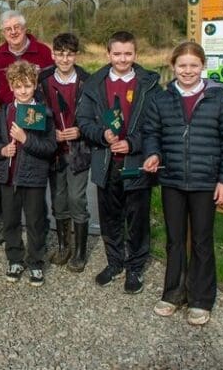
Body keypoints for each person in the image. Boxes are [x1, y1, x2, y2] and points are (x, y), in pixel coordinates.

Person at [142, 42, 223, 326]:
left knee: (201, 240)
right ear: (173, 67)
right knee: (174, 240)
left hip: (205, 182)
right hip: (173, 180)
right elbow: (152, 133)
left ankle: (200, 299)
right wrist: (153, 154)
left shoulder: (219, 99)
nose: (188, 71)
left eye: (194, 65)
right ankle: (173, 293)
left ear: (203, 66)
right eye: (182, 65)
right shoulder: (162, 99)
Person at [77, 31, 161, 289]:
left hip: (136, 161)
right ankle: (114, 262)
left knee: (137, 218)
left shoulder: (149, 85)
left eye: (128, 54)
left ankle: (135, 267)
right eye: (117, 54)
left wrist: (133, 143)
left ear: (135, 54)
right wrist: (102, 135)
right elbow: (83, 121)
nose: (122, 59)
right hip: (106, 160)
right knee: (110, 216)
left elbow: (156, 124)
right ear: (108, 54)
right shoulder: (94, 84)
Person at [0, 10, 52, 246]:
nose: (13, 32)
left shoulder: (42, 52)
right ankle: (4, 224)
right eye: (8, 29)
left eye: (17, 27)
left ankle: (39, 227)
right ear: (3, 32)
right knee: (7, 175)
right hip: (7, 118)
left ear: (25, 28)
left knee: (34, 175)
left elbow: (51, 82)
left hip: (36, 115)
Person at [0, 60, 56, 286]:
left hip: (34, 177)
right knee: (10, 220)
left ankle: (35, 262)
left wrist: (26, 140)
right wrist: (2, 150)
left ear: (35, 84)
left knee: (36, 221)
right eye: (18, 86)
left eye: (27, 85)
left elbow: (49, 147)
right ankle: (15, 259)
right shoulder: (5, 112)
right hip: (8, 176)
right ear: (11, 87)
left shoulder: (44, 113)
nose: (23, 91)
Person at [38, 33, 93, 272]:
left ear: (76, 56)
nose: (64, 59)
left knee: (77, 199)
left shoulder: (87, 81)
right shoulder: (42, 79)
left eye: (69, 54)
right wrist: (51, 133)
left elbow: (95, 116)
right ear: (53, 54)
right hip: (54, 151)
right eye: (60, 54)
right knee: (59, 200)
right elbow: (35, 113)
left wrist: (81, 130)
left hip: (79, 150)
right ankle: (63, 246)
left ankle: (80, 251)